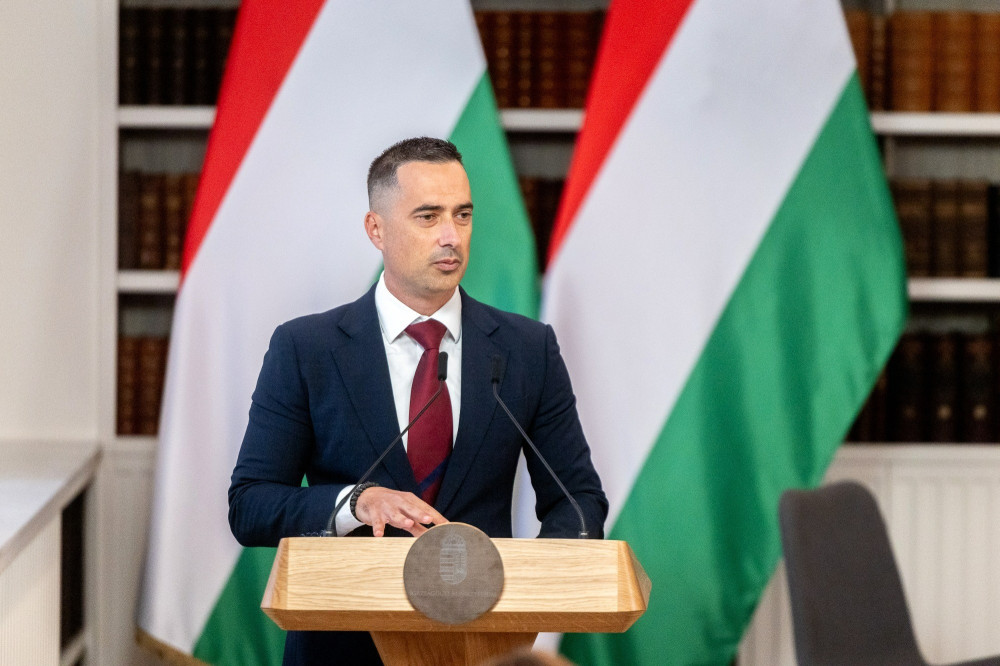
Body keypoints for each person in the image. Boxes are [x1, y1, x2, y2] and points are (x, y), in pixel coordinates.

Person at [228, 137, 607, 665]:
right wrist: (355, 503)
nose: (451, 236)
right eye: (428, 217)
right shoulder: (306, 349)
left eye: (462, 215)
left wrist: (536, 582)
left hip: (483, 646)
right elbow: (250, 505)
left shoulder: (527, 349)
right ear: (376, 229)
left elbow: (577, 498)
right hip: (343, 648)